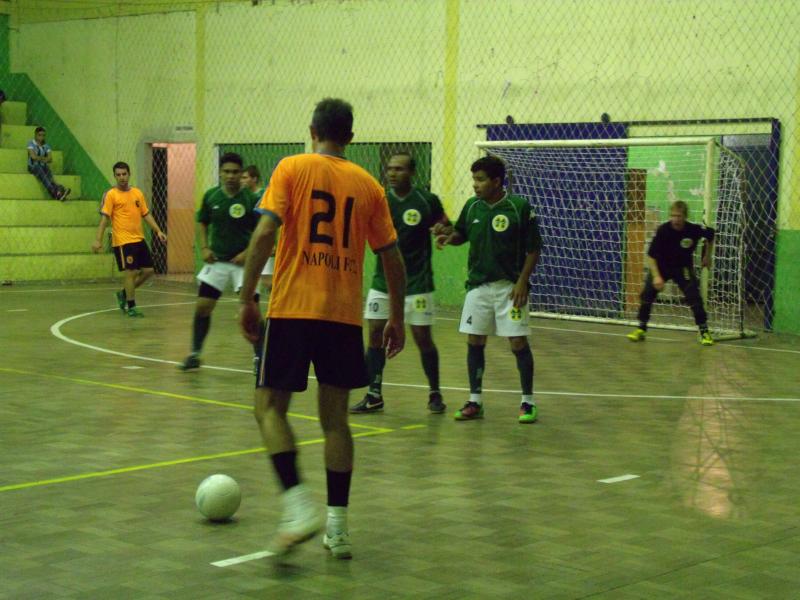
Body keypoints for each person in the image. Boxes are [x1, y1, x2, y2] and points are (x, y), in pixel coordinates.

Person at [238, 98, 406, 560]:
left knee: (268, 407)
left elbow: (264, 235)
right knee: (336, 421)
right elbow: (391, 256)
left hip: (292, 308)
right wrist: (396, 317)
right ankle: (338, 528)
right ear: (350, 137)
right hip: (342, 315)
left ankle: (297, 507)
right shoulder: (369, 185)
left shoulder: (291, 168)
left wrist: (248, 296)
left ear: (312, 130)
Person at [436, 155, 542, 424]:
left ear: (497, 181)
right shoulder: (472, 207)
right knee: (474, 341)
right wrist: (449, 236)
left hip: (510, 288)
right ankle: (475, 401)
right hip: (478, 287)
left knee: (518, 342)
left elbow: (533, 249)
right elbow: (461, 234)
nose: (475, 185)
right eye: (474, 179)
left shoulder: (518, 207)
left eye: (481, 180)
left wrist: (522, 282)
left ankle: (527, 402)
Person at [350, 151, 450, 415]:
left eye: (400, 169)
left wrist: (442, 230)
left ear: (412, 173)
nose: (393, 173)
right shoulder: (379, 199)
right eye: (390, 169)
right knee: (374, 332)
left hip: (418, 283)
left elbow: (444, 224)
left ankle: (435, 392)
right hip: (382, 282)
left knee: (422, 337)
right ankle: (374, 393)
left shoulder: (427, 201)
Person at [178, 153, 262, 371]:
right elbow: (202, 223)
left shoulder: (251, 200)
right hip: (218, 262)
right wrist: (204, 247)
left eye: (235, 172)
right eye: (226, 171)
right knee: (203, 307)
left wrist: (247, 252)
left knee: (251, 311)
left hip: (243, 265)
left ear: (242, 174)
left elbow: (261, 232)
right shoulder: (211, 197)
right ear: (220, 173)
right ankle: (195, 353)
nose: (231, 176)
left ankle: (260, 358)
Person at [627, 200, 715, 346]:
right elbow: (650, 256)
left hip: (682, 268)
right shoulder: (663, 230)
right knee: (647, 294)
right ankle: (641, 329)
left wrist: (707, 256)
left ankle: (704, 331)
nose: (676, 219)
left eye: (679, 216)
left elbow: (711, 234)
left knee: (694, 296)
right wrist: (656, 277)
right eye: (673, 216)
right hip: (661, 267)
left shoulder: (692, 230)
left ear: (685, 216)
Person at [92, 162, 166, 317]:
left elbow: (146, 214)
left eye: (124, 174)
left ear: (129, 174)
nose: (121, 177)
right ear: (115, 176)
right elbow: (105, 219)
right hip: (123, 241)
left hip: (139, 239)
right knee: (130, 273)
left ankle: (123, 294)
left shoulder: (137, 193)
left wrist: (158, 230)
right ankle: (131, 306)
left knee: (148, 271)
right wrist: (98, 240)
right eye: (118, 175)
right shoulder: (111, 195)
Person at [241, 164, 275, 301]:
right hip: (253, 244)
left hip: (266, 243)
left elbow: (270, 222)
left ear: (254, 179)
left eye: (245, 177)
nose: (242, 180)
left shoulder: (263, 195)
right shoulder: (244, 197)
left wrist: (272, 244)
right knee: (256, 279)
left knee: (268, 281)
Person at [27, 127, 70, 201]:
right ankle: (57, 192)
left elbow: (50, 159)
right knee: (44, 177)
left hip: (43, 166)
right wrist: (44, 158)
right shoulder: (31, 143)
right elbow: (33, 157)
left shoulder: (46, 145)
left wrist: (40, 158)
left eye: (43, 135)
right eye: (39, 135)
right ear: (35, 135)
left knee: (50, 178)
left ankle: (59, 193)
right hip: (33, 166)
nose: (41, 137)